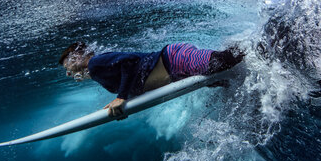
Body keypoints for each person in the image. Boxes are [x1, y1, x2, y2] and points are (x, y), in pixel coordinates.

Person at [59, 42, 245, 117]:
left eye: (67, 64)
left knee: (224, 62)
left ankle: (252, 45)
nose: (68, 72)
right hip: (175, 71)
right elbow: (134, 81)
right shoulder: (99, 73)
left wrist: (122, 97)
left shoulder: (94, 63)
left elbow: (129, 62)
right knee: (223, 78)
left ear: (78, 56)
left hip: (174, 59)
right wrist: (126, 107)